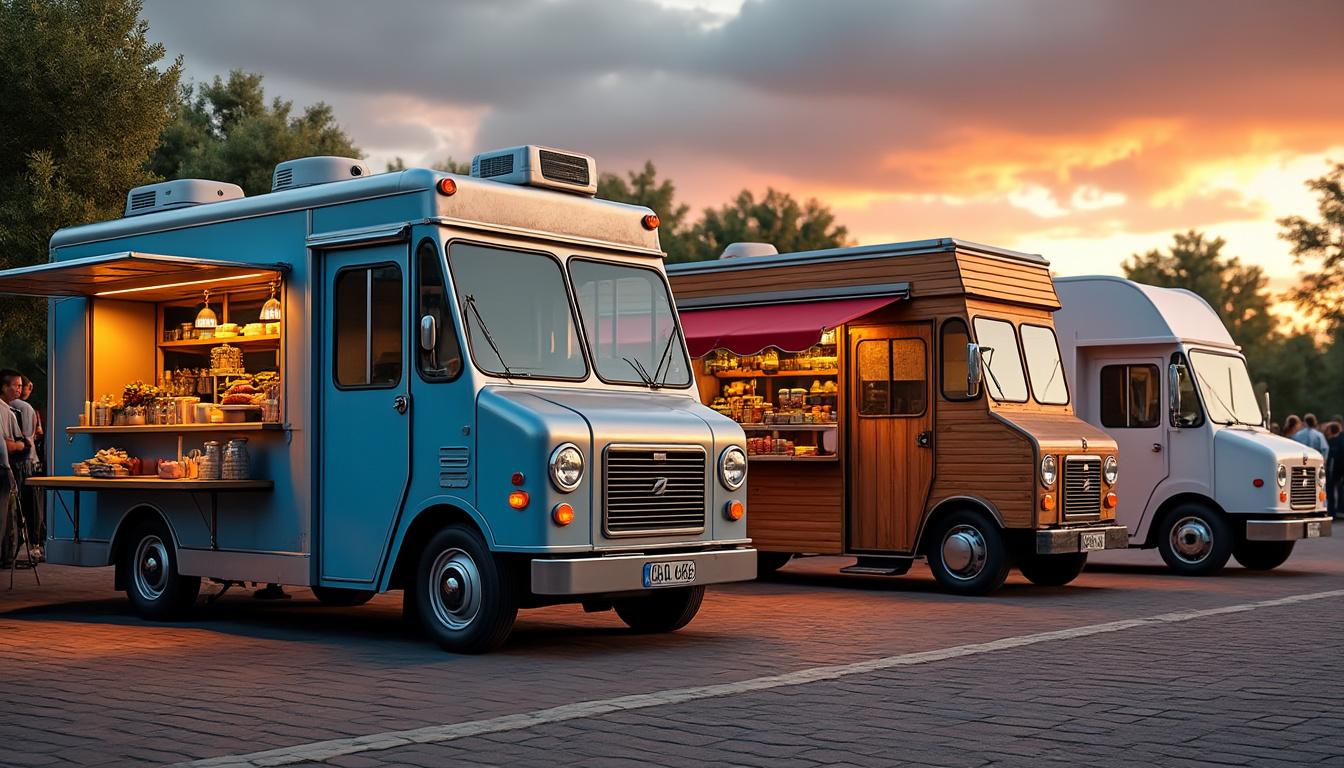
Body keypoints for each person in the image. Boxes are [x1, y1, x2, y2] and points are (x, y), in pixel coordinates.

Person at [0, 369, 37, 559]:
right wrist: (21, 445)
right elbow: (11, 442)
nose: (19, 389)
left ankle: (8, 554)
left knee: (10, 515)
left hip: (9, 466)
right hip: (5, 467)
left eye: (21, 385)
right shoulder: (4, 410)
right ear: (4, 387)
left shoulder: (11, 411)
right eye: (16, 385)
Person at [18, 375, 44, 557]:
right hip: (28, 462)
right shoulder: (25, 408)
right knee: (32, 505)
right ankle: (35, 544)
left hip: (15, 461)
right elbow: (30, 436)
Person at [0, 397, 21, 568]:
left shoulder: (7, 409)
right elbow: (5, 445)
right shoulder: (4, 410)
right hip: (2, 468)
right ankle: (6, 557)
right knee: (4, 516)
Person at [1326, 419, 1344, 520]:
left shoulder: (1333, 442)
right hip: (1338, 471)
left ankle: (1334, 510)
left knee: (1332, 491)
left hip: (1335, 471)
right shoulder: (1339, 440)